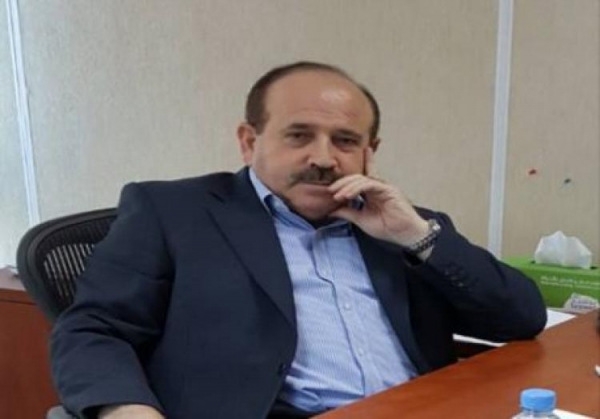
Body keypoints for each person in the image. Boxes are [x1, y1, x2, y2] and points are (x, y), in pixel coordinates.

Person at [51, 61, 547, 419]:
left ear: (370, 152)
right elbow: (94, 330)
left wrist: (415, 236)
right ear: (249, 141)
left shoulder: (399, 225)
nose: (324, 158)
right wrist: (128, 412)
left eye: (345, 141)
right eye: (298, 135)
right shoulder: (173, 212)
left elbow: (521, 318)